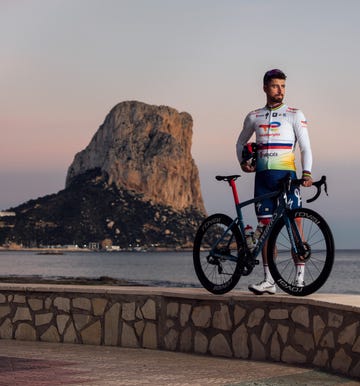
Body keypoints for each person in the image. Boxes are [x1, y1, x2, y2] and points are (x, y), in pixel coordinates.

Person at [236, 69, 313, 295]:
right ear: (265, 87)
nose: (280, 90)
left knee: (295, 226)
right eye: (275, 86)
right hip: (263, 179)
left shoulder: (294, 114)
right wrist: (243, 163)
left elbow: (306, 147)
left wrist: (307, 173)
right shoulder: (254, 116)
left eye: (283, 86)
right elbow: (240, 142)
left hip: (286, 177)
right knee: (265, 231)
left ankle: (299, 279)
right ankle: (269, 280)